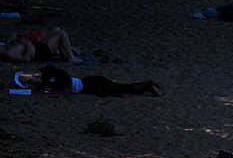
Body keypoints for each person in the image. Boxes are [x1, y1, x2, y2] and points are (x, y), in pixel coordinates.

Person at [15, 65, 160, 96]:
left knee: (121, 89)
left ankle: (147, 85)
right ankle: (146, 86)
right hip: (90, 83)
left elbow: (62, 88)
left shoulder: (53, 78)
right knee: (121, 88)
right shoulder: (53, 74)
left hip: (91, 85)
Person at [2, 28, 78, 62]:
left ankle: (66, 52)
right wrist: (28, 44)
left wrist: (15, 39)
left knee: (56, 29)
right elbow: (26, 59)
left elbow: (14, 35)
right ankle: (71, 57)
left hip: (37, 45)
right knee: (62, 33)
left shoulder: (8, 46)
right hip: (40, 52)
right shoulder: (9, 53)